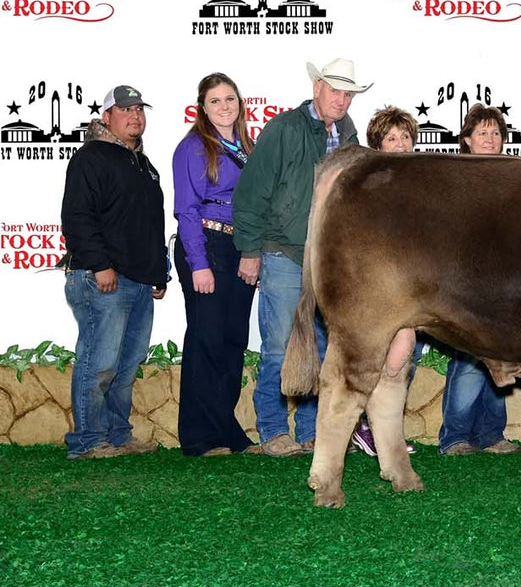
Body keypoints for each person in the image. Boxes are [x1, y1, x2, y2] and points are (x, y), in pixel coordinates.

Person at [233, 58, 370, 457]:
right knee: (279, 345)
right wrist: (249, 250)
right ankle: (273, 431)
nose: (342, 100)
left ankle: (311, 431)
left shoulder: (349, 136)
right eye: (335, 91)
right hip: (284, 252)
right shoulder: (284, 128)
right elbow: (252, 192)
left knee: (324, 348)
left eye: (348, 93)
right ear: (317, 89)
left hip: (329, 259)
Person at [60, 85, 168, 460]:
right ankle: (89, 441)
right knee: (100, 361)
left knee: (125, 365)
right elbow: (77, 217)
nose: (134, 115)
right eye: (125, 109)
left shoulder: (143, 163)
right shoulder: (91, 157)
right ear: (107, 117)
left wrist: (159, 272)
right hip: (101, 277)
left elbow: (149, 224)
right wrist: (100, 265)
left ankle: (117, 436)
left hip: (138, 279)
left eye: (139, 108)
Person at [172, 73, 258, 457]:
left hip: (239, 246)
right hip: (205, 243)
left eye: (230, 99)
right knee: (206, 339)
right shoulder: (193, 148)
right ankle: (198, 436)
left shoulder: (247, 146)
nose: (224, 107)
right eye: (216, 101)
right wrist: (198, 264)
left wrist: (253, 251)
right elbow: (186, 210)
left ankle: (225, 428)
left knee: (233, 341)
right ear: (202, 108)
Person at [437, 104, 520, 455]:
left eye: (496, 133)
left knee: (498, 351)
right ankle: (454, 436)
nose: (490, 139)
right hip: (467, 278)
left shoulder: (515, 177)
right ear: (467, 140)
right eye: (483, 133)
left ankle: (491, 434)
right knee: (470, 355)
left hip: (506, 278)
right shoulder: (454, 178)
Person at [348, 106, 423, 457]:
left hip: (411, 281)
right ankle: (366, 422)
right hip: (376, 279)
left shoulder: (418, 182)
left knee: (404, 353)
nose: (400, 143)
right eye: (391, 138)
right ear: (378, 144)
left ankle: (379, 427)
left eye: (405, 136)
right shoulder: (369, 180)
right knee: (389, 349)